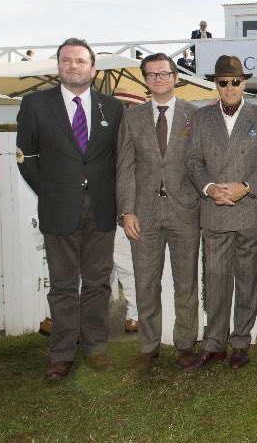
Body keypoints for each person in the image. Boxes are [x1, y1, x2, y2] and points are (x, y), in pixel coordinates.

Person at [16, 37, 123, 381]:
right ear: (59, 66)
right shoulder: (35, 104)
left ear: (92, 68)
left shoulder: (112, 107)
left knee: (97, 283)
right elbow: (27, 159)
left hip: (101, 209)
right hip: (58, 207)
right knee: (62, 285)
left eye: (80, 61)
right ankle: (61, 354)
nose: (72, 66)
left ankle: (95, 349)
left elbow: (118, 159)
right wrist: (53, 192)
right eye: (66, 60)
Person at [184, 55, 257, 373]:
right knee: (216, 281)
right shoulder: (201, 117)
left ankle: (240, 344)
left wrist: (245, 187)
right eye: (223, 82)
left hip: (250, 210)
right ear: (216, 84)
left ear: (244, 83)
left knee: (248, 281)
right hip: (215, 210)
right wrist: (210, 188)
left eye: (235, 81)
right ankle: (213, 345)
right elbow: (193, 160)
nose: (230, 87)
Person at [116, 53, 202, 371]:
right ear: (146, 80)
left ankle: (185, 345)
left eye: (164, 74)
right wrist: (127, 211)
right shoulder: (132, 118)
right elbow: (125, 167)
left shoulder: (195, 115)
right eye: (151, 75)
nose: (158, 79)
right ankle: (148, 347)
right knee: (146, 283)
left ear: (176, 77)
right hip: (144, 215)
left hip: (185, 211)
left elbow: (202, 163)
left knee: (186, 284)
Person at [111, 86, 149, 335]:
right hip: (101, 210)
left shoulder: (142, 135)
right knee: (93, 269)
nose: (124, 111)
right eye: (121, 106)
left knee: (128, 265)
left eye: (128, 106)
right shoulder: (103, 135)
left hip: (129, 212)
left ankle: (135, 314)